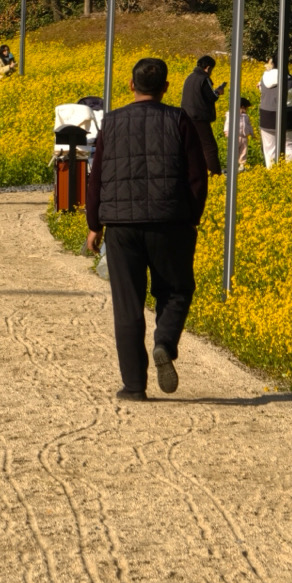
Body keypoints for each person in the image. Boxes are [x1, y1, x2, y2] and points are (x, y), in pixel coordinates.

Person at [85, 57, 210, 400]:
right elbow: (197, 177)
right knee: (177, 289)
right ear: (166, 88)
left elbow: (97, 177)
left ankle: (134, 386)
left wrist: (94, 225)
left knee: (128, 304)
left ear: (131, 85)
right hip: (170, 222)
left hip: (121, 226)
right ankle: (164, 342)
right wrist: (190, 218)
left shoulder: (111, 122)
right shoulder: (179, 119)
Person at [177, 55, 224, 178]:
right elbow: (211, 97)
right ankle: (215, 173)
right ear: (207, 68)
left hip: (186, 115)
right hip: (199, 117)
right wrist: (218, 92)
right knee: (209, 147)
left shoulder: (190, 77)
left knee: (192, 146)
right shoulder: (204, 78)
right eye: (211, 69)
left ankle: (194, 171)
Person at [257, 63, 292, 168]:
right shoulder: (290, 82)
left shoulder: (263, 78)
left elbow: (262, 92)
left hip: (266, 116)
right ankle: (288, 171)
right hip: (287, 117)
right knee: (289, 145)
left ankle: (272, 172)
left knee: (269, 148)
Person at [221, 95, 254, 171]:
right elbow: (227, 123)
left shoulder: (245, 116)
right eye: (246, 108)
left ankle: (242, 165)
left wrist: (252, 133)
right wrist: (226, 131)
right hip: (235, 137)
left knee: (244, 151)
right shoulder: (231, 114)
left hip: (244, 137)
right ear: (242, 107)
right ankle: (233, 166)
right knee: (234, 151)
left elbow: (249, 125)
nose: (247, 110)